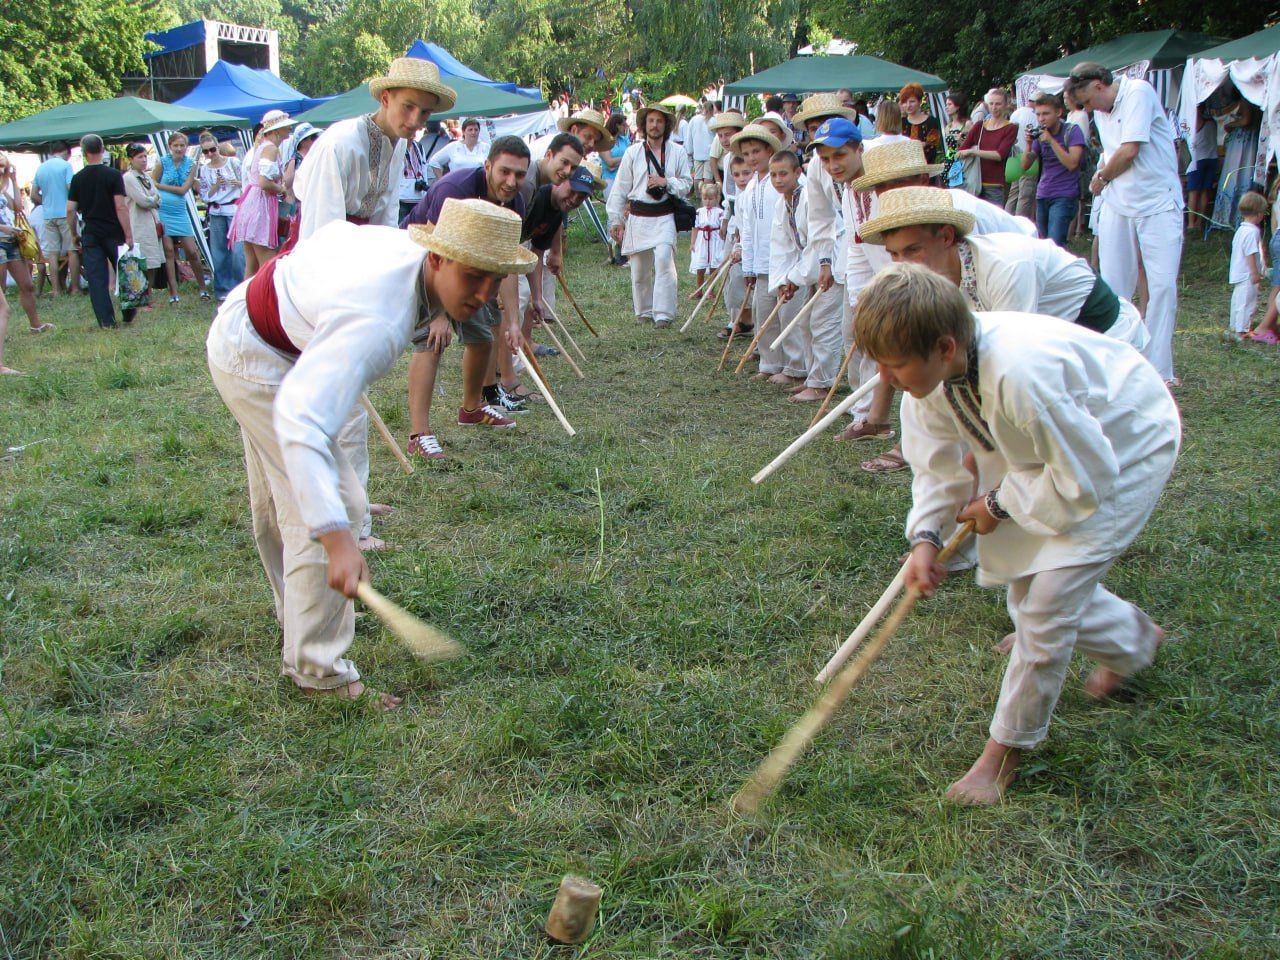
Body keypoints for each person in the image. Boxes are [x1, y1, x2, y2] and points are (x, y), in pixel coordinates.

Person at [857, 262, 1180, 805]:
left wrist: (999, 501)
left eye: (894, 365)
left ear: (943, 346)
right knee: (1027, 588)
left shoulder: (1021, 377)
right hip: (1052, 456)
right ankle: (1134, 639)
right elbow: (935, 467)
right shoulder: (932, 376)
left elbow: (1087, 479)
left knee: (1046, 601)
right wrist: (926, 540)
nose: (886, 380)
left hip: (1125, 442)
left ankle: (1002, 754)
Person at [207, 198, 535, 709]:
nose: (484, 295)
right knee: (332, 506)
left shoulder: (408, 261)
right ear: (436, 259)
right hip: (255, 355)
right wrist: (339, 541)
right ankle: (319, 672)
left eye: (495, 281)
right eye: (474, 276)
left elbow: (332, 234)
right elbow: (301, 419)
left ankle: (299, 615)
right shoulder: (380, 318)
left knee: (289, 500)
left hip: (264, 332)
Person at [839, 136, 1036, 469]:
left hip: (1029, 294)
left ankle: (985, 446)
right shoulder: (903, 226)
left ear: (922, 180)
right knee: (933, 353)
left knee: (990, 362)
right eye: (881, 186)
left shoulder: (967, 219)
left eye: (898, 182)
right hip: (976, 287)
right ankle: (918, 443)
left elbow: (1009, 344)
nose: (890, 193)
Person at [862, 186, 1147, 349]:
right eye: (894, 254)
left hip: (1108, 337)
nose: (902, 265)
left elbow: (1012, 356)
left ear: (947, 237)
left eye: (913, 250)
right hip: (1060, 345)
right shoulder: (933, 281)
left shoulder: (1006, 266)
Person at [401, 136, 531, 458]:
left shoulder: (515, 204)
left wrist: (513, 322)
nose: (511, 181)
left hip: (472, 267)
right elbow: (434, 251)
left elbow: (506, 264)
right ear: (487, 166)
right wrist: (439, 315)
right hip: (423, 259)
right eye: (504, 172)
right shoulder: (454, 190)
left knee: (484, 336)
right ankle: (419, 435)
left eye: (519, 174)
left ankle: (472, 408)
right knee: (433, 341)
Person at [1065, 62, 1184, 386]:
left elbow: (1130, 149)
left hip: (1158, 202)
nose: (1088, 110)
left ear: (1100, 85)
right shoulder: (1101, 111)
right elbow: (1112, 151)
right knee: (1114, 285)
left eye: (1088, 101)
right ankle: (1116, 361)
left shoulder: (1138, 93)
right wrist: (1101, 173)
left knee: (1161, 286)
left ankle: (1159, 370)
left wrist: (1102, 177)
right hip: (1119, 203)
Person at [605, 102, 692, 328]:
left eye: (659, 121)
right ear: (644, 125)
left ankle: (663, 314)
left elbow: (687, 184)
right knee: (639, 269)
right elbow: (621, 188)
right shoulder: (633, 152)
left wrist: (667, 182)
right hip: (639, 216)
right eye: (651, 121)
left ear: (667, 125)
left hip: (664, 215)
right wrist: (616, 219)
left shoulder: (678, 152)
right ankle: (643, 311)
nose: (655, 125)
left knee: (664, 260)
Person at [732, 123, 803, 381]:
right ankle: (769, 363)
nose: (752, 157)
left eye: (756, 151)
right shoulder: (750, 187)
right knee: (764, 315)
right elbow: (747, 229)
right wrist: (748, 266)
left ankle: (795, 366)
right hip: (761, 264)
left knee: (789, 315)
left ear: (769, 149)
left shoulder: (783, 180)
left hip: (786, 263)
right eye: (747, 153)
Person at [767, 149, 839, 400]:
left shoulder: (809, 197)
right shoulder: (782, 203)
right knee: (806, 323)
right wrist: (783, 279)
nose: (778, 179)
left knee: (823, 322)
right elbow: (783, 246)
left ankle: (822, 383)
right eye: (773, 174)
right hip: (811, 267)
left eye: (783, 173)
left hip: (831, 262)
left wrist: (795, 278)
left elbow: (819, 241)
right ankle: (812, 376)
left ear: (798, 172)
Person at [66, 134, 135, 329]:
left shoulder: (78, 178)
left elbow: (70, 209)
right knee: (124, 271)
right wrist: (128, 234)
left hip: (91, 232)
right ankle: (129, 312)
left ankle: (106, 321)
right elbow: (120, 206)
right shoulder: (113, 175)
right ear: (102, 149)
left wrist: (73, 233)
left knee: (96, 277)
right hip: (113, 230)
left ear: (84, 152)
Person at [228, 111, 297, 278]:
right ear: (276, 130)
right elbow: (264, 183)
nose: (289, 128)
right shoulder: (270, 148)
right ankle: (263, 302)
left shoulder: (262, 147)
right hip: (260, 206)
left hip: (251, 203)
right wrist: (281, 189)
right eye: (285, 126)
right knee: (267, 265)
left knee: (251, 265)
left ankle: (246, 302)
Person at [151, 131, 210, 302]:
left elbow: (184, 189)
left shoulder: (191, 164)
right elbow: (152, 182)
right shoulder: (162, 162)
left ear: (186, 147)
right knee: (169, 251)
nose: (179, 149)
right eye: (175, 145)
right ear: (170, 146)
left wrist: (162, 186)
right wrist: (160, 187)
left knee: (191, 251)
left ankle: (203, 288)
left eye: (182, 145)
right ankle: (173, 293)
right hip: (164, 210)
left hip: (179, 210)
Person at [1022, 92, 1085, 247]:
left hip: (1064, 194)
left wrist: (1051, 141)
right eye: (1038, 115)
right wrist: (1029, 144)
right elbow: (1025, 166)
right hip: (1043, 194)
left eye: (1046, 114)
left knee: (1055, 245)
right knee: (1043, 244)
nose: (1041, 118)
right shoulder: (1041, 134)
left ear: (1058, 112)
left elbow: (1072, 164)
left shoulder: (1072, 131)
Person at [0, 154, 46, 337]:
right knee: (1, 290)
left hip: (11, 241)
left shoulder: (3, 187)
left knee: (27, 285)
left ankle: (36, 325)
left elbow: (17, 207)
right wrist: (5, 228)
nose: (2, 169)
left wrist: (13, 180)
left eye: (4, 166)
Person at [196, 133, 245, 300]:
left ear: (218, 147)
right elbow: (204, 195)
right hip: (216, 212)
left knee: (238, 252)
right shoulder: (204, 169)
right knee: (219, 252)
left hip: (234, 209)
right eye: (206, 152)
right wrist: (216, 186)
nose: (210, 154)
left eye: (212, 150)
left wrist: (235, 183)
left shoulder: (233, 162)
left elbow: (246, 183)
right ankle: (223, 289)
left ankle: (241, 287)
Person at [30, 141, 77, 297]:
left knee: (52, 254)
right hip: (65, 213)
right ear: (67, 152)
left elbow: (33, 194)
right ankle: (75, 287)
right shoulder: (65, 166)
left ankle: (56, 289)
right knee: (72, 250)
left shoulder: (41, 168)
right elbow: (72, 189)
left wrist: (46, 202)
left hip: (48, 215)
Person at [957, 88, 1017, 207]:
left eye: (998, 104)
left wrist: (974, 152)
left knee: (994, 222)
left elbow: (1000, 155)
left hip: (995, 185)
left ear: (1005, 105)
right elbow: (961, 151)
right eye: (991, 103)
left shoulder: (1011, 128)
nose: (994, 107)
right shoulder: (979, 126)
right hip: (973, 182)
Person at [1211, 85, 1260, 230]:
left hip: (1241, 142)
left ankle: (1229, 216)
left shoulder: (1245, 100)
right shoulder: (1256, 100)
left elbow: (1245, 120)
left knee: (1234, 173)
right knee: (1246, 174)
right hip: (1250, 140)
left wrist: (1231, 124)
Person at [121, 144, 164, 306]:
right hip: (138, 224)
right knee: (141, 262)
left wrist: (152, 199)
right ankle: (141, 297)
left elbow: (158, 197)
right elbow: (143, 201)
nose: (144, 160)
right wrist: (152, 199)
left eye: (145, 156)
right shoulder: (128, 178)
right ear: (131, 159)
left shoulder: (145, 176)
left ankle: (149, 296)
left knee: (152, 261)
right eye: (140, 157)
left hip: (152, 223)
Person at [1228, 191, 1267, 338]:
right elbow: (1250, 253)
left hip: (1238, 271)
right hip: (1247, 274)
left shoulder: (1241, 229)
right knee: (1247, 302)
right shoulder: (1253, 232)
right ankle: (1241, 330)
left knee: (1237, 301)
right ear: (1258, 214)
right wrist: (1255, 272)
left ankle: (1233, 327)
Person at [1185, 105, 1218, 232]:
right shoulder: (1212, 122)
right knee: (1205, 191)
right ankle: (1200, 222)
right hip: (1212, 158)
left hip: (1197, 160)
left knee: (1193, 192)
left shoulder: (1193, 123)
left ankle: (1191, 223)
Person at [689, 182, 725, 298]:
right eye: (705, 198)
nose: (708, 201)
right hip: (702, 240)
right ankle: (699, 290)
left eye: (711, 199)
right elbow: (695, 228)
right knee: (701, 266)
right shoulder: (699, 212)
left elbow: (723, 227)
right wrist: (692, 243)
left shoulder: (720, 212)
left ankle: (710, 290)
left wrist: (722, 239)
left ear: (716, 198)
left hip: (715, 240)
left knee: (714, 266)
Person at [899, 83, 942, 165]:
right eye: (905, 102)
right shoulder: (901, 122)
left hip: (926, 168)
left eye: (912, 101)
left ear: (920, 101)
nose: (908, 105)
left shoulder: (931, 121)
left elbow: (932, 146)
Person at [941, 92, 971, 189]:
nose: (947, 107)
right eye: (946, 104)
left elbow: (971, 143)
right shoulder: (948, 126)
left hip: (963, 159)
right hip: (950, 159)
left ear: (958, 106)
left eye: (950, 104)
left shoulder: (967, 124)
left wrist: (961, 140)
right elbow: (949, 147)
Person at [686, 101, 715, 184]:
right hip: (710, 153)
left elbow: (689, 137)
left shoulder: (694, 119)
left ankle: (698, 195)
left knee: (697, 177)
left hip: (697, 153)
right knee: (708, 177)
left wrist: (689, 151)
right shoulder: (713, 120)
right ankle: (708, 195)